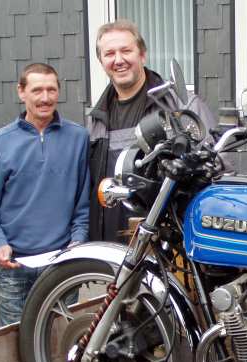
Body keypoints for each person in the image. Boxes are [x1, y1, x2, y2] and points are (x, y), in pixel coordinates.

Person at [0, 63, 90, 326]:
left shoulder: (79, 139)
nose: (45, 98)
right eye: (37, 90)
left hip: (61, 264)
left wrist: (78, 241)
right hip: (14, 267)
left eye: (51, 90)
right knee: (14, 341)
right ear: (21, 92)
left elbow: (83, 204)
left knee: (60, 339)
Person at [88, 19, 217, 242]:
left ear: (142, 55)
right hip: (111, 243)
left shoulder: (180, 105)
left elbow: (216, 167)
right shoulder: (97, 118)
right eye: (109, 54)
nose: (118, 60)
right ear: (101, 62)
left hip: (167, 242)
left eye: (126, 51)